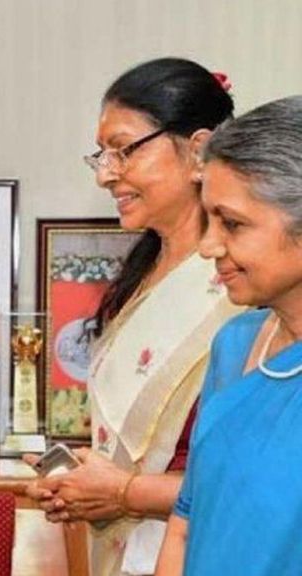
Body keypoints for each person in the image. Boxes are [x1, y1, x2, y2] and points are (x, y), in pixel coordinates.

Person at [25, 58, 241, 576]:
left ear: (198, 151)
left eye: (123, 151)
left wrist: (123, 492)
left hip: (199, 550)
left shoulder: (245, 286)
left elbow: (251, 474)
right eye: (100, 154)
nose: (105, 174)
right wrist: (81, 482)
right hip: (124, 551)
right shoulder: (139, 275)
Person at [153, 95, 302, 576]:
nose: (207, 245)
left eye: (232, 223)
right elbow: (186, 520)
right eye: (208, 218)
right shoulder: (235, 345)